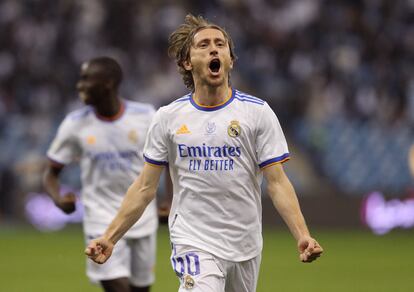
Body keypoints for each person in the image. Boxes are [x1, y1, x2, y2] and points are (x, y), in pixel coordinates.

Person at [85, 15, 323, 292]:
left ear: (230, 60)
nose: (214, 49)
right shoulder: (168, 118)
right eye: (204, 45)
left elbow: (278, 182)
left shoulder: (257, 113)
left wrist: (302, 235)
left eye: (220, 44)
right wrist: (110, 237)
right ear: (187, 62)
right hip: (193, 239)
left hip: (245, 244)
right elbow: (144, 187)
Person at [43, 56, 161, 292]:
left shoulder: (146, 116)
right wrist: (57, 198)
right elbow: (51, 173)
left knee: (141, 289)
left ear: (107, 83)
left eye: (86, 79)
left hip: (142, 218)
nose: (80, 85)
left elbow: (168, 159)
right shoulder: (74, 124)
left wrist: (168, 200)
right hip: (100, 219)